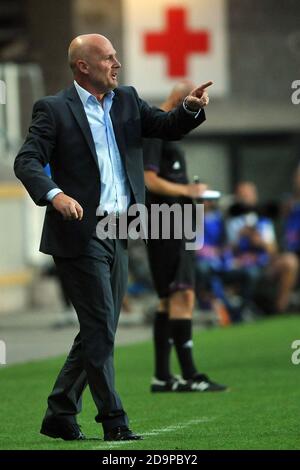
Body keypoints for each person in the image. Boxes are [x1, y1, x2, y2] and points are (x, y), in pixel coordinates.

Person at [14, 34, 211, 441]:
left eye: (116, 57)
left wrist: (189, 109)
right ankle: (114, 421)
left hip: (120, 229)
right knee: (101, 326)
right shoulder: (53, 109)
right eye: (108, 58)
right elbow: (27, 160)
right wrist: (56, 194)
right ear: (83, 66)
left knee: (98, 329)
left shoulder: (127, 100)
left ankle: (60, 412)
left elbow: (165, 126)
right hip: (79, 231)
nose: (117, 64)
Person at [143, 82, 227, 393]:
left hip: (176, 219)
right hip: (166, 222)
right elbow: (149, 180)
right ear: (181, 100)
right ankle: (190, 374)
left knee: (170, 298)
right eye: (193, 106)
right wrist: (187, 191)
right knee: (183, 294)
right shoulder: (155, 128)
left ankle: (163, 376)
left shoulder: (166, 130)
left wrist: (191, 193)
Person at [226, 182, 298, 314]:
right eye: (243, 195)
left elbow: (273, 250)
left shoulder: (264, 219)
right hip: (240, 265)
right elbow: (226, 251)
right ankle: (240, 312)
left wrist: (261, 242)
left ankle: (280, 309)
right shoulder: (231, 220)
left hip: (263, 264)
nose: (246, 198)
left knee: (290, 261)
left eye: (249, 194)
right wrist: (241, 237)